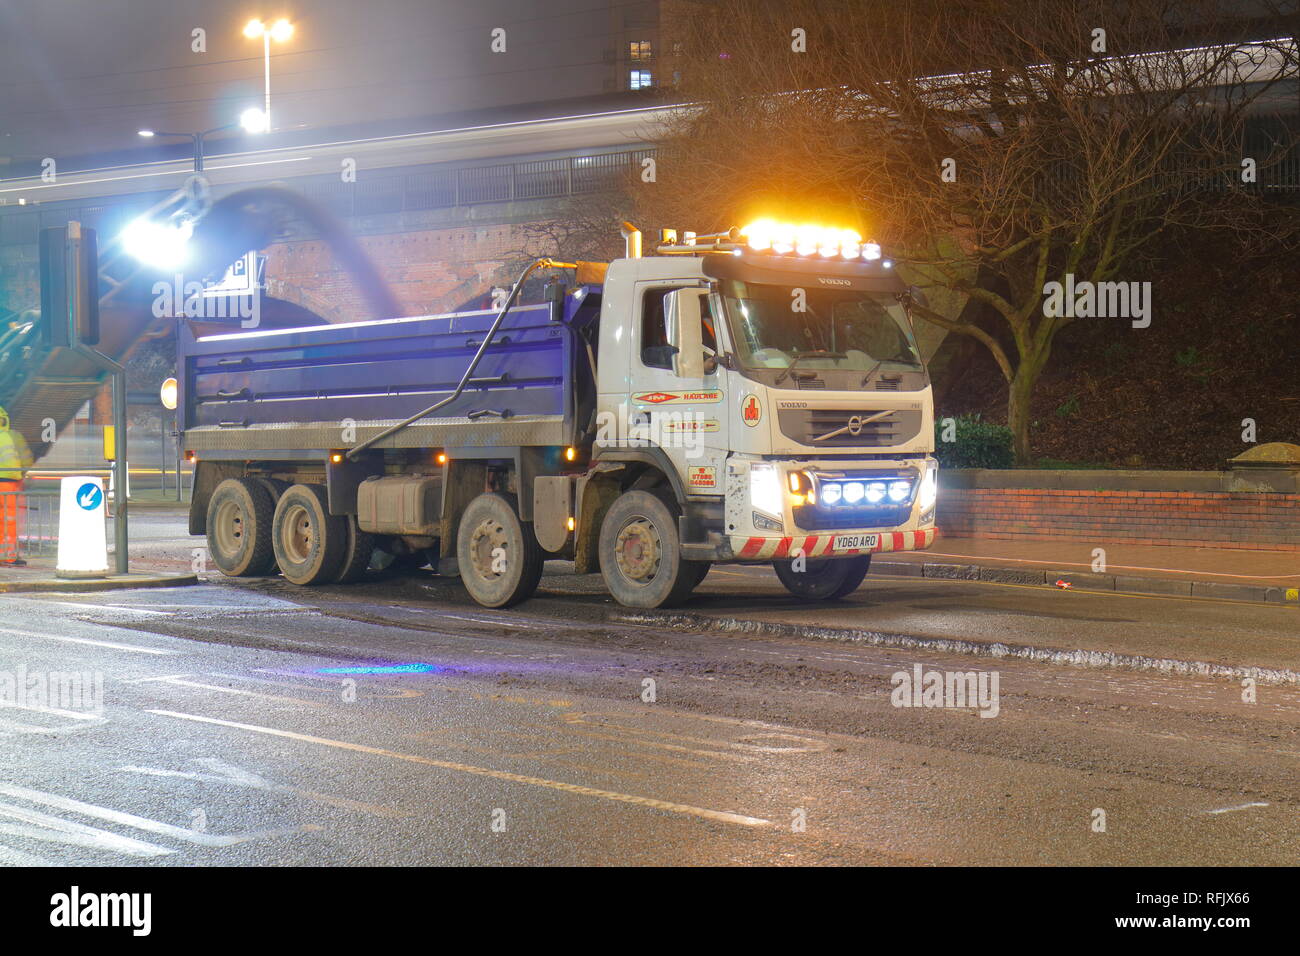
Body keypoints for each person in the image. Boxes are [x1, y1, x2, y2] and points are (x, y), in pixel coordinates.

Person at [0, 405, 33, 566]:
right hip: (9, 483)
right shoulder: (11, 436)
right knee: (9, 521)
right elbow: (24, 458)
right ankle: (8, 556)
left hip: (9, 482)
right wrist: (23, 475)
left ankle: (7, 555)